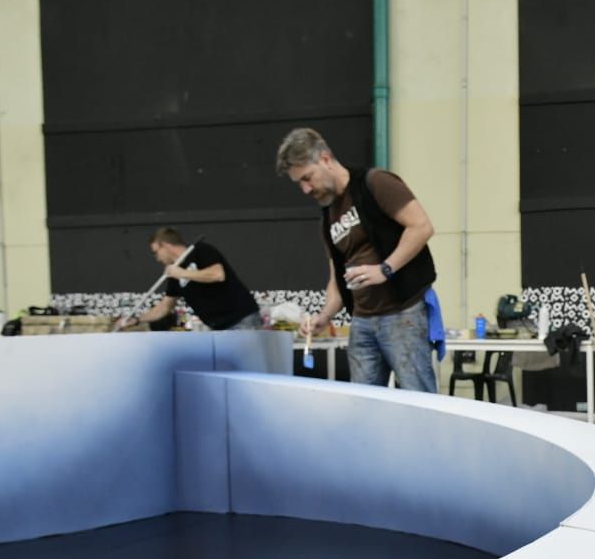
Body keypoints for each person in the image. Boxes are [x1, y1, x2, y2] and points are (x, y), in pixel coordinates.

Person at [275, 127, 439, 391]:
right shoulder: (328, 216)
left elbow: (421, 227)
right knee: (363, 404)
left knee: (419, 399)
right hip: (362, 321)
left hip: (402, 314)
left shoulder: (375, 183)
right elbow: (336, 276)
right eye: (299, 183)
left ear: (326, 159)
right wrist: (324, 315)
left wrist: (385, 269)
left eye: (307, 178)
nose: (305, 189)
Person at [124, 228, 261, 331]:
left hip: (241, 320)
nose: (157, 258)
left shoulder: (200, 251)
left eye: (156, 252)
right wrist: (137, 319)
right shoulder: (175, 272)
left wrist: (182, 273)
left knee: (245, 367)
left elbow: (218, 275)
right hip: (218, 327)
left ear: (165, 245)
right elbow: (165, 307)